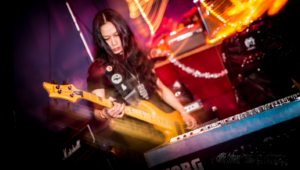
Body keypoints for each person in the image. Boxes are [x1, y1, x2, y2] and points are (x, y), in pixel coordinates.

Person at [87, 9, 198, 132]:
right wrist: (106, 112)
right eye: (107, 38)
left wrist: (183, 112)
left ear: (123, 32)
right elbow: (97, 112)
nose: (113, 42)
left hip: (165, 118)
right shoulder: (98, 69)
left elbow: (161, 89)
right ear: (101, 41)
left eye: (116, 35)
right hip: (139, 132)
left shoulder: (137, 53)